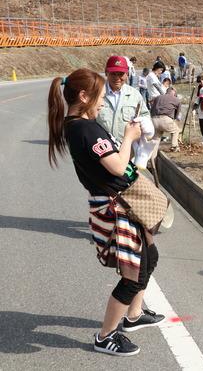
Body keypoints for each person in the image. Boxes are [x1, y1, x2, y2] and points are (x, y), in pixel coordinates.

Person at [47, 68, 164, 357]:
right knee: (132, 275)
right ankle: (105, 336)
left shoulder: (80, 125)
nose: (102, 103)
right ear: (84, 96)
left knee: (150, 258)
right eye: (100, 98)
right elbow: (115, 166)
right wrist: (129, 137)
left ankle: (134, 316)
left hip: (122, 201)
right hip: (117, 205)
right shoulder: (84, 128)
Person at [96, 56, 150, 143]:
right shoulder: (96, 94)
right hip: (102, 150)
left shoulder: (135, 95)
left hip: (128, 149)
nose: (117, 78)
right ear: (106, 72)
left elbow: (145, 115)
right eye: (113, 73)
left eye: (121, 74)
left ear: (127, 74)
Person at [150, 86, 182, 152]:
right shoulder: (176, 100)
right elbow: (177, 114)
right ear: (174, 93)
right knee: (176, 130)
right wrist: (174, 120)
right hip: (165, 119)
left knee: (156, 139)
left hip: (154, 120)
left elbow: (151, 108)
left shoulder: (158, 97)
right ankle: (174, 146)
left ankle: (153, 155)